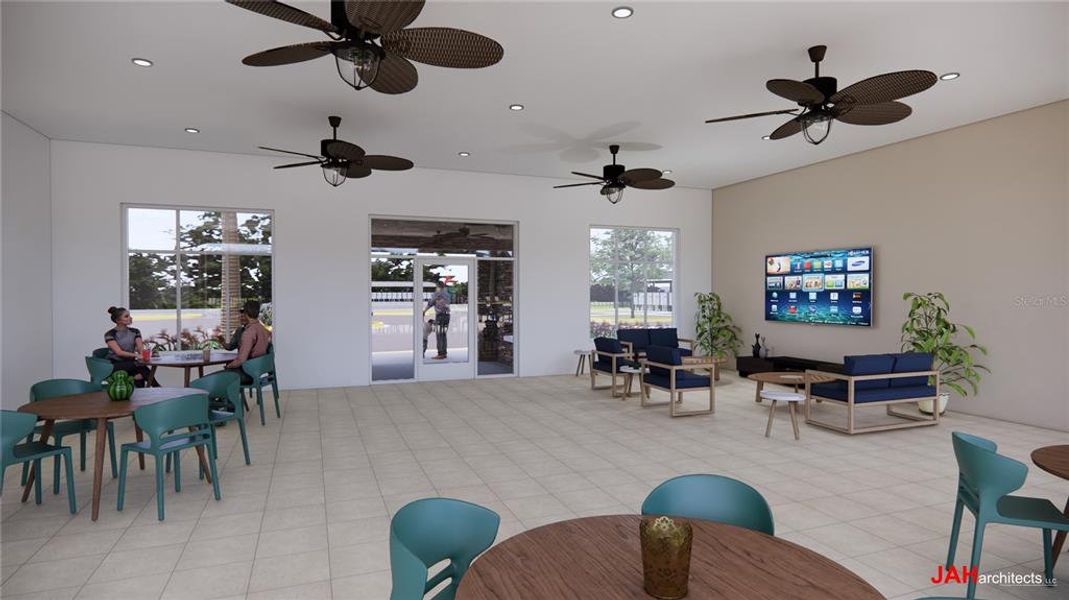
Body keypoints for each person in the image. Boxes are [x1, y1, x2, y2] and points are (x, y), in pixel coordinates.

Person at [104, 306, 153, 387]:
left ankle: (142, 397)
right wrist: (137, 355)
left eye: (129, 315)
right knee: (139, 367)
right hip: (114, 365)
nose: (130, 318)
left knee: (140, 375)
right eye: (126, 316)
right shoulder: (109, 334)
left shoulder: (135, 331)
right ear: (118, 320)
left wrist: (143, 354)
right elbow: (119, 352)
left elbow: (140, 348)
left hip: (131, 364)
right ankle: (159, 388)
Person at [225, 300, 272, 383]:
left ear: (246, 313)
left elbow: (241, 360)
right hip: (259, 371)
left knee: (217, 378)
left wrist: (228, 366)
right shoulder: (264, 330)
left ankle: (233, 395)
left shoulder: (248, 333)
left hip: (249, 373)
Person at [423, 281, 451, 360]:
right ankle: (444, 353)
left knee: (439, 334)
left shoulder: (437, 293)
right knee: (443, 334)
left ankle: (440, 353)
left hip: (440, 316)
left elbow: (430, 303)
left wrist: (424, 311)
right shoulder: (447, 294)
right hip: (447, 315)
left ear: (438, 286)